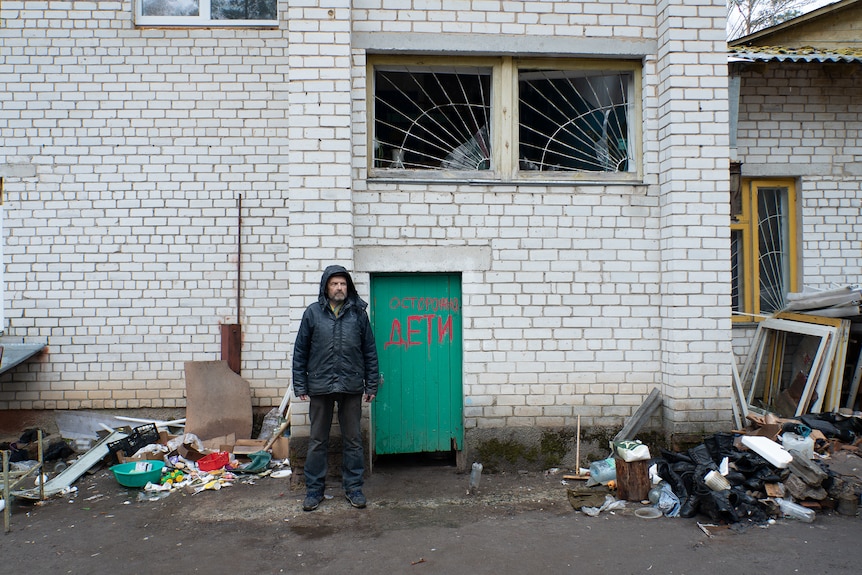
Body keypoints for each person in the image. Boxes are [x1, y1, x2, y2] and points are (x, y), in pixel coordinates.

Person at [292, 265, 379, 511]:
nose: (339, 288)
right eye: (334, 284)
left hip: (351, 384)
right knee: (318, 440)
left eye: (343, 284)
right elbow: (300, 351)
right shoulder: (312, 313)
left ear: (348, 287)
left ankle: (354, 489)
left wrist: (370, 383)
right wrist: (300, 383)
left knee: (352, 440)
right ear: (326, 287)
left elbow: (369, 351)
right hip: (320, 385)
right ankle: (314, 491)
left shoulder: (358, 314)